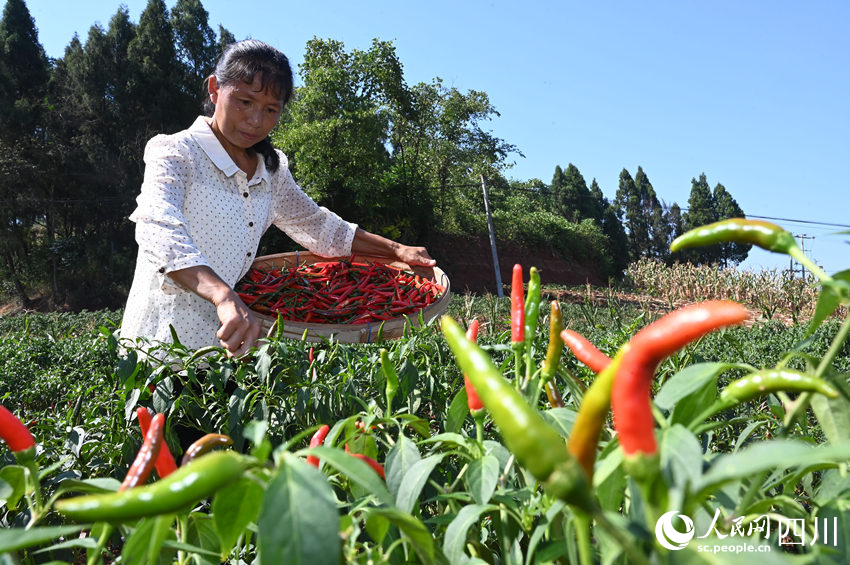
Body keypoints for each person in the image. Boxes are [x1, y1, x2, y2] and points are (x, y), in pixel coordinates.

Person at [120, 39, 435, 357]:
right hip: (161, 345)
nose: (256, 121)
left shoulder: (271, 171)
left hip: (235, 348)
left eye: (271, 110)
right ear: (215, 89)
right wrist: (222, 294)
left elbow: (320, 227)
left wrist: (397, 250)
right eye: (244, 101)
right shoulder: (177, 151)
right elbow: (158, 226)